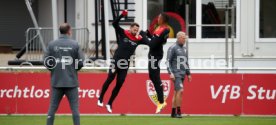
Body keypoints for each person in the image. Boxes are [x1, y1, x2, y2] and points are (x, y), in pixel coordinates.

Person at [98, 10, 148, 113]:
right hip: (116, 61)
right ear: (130, 28)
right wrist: (121, 15)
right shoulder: (124, 33)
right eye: (134, 29)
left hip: (125, 65)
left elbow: (149, 43)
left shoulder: (138, 39)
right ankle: (100, 98)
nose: (135, 31)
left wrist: (148, 34)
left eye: (137, 30)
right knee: (110, 79)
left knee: (120, 83)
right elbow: (114, 24)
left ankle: (110, 103)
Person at [44, 23, 84, 125]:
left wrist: (54, 69)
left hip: (56, 82)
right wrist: (73, 69)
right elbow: (80, 62)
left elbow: (46, 61)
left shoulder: (52, 44)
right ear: (69, 31)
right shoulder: (75, 44)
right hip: (71, 82)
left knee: (52, 109)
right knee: (75, 109)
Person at [140, 13, 170, 113]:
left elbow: (152, 44)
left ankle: (161, 102)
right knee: (152, 76)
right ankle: (161, 101)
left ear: (163, 19)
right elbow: (154, 39)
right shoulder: (160, 28)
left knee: (155, 77)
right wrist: (147, 34)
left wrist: (143, 36)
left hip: (155, 55)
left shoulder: (164, 29)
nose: (157, 19)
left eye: (159, 17)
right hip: (154, 54)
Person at [166, 31, 192, 118]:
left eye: (185, 38)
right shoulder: (172, 48)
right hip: (176, 73)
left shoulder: (184, 49)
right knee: (181, 91)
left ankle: (173, 113)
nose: (185, 40)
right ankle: (179, 111)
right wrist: (171, 73)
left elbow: (185, 62)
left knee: (176, 92)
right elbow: (167, 61)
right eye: (183, 38)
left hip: (182, 73)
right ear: (179, 38)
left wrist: (188, 73)